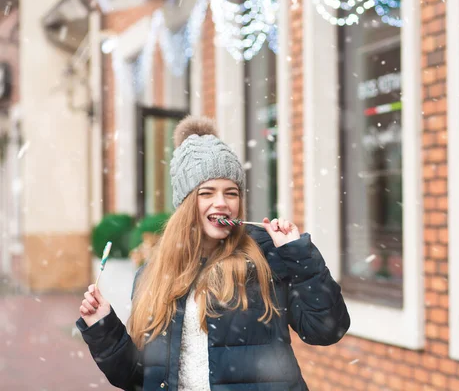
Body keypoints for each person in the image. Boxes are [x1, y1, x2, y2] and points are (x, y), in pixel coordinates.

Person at [76, 116, 350, 391]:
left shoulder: (268, 259)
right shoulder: (152, 275)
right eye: (207, 193)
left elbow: (326, 330)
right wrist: (103, 327)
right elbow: (138, 379)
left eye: (231, 193)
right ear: (185, 203)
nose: (222, 203)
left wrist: (300, 256)